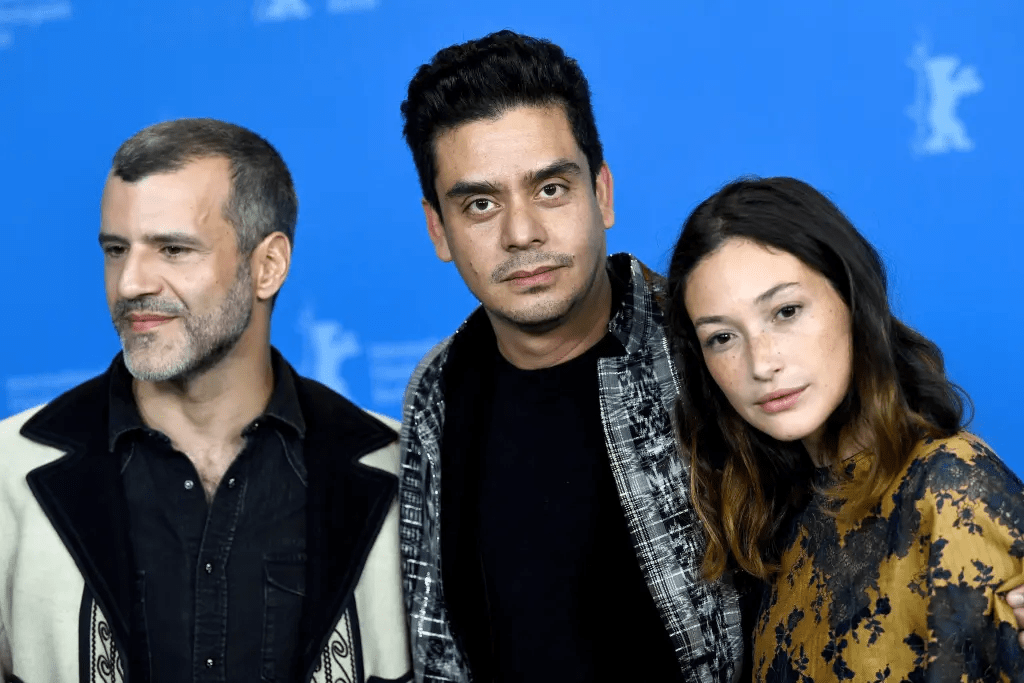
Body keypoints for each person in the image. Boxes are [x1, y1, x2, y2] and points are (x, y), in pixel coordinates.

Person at [0, 118, 411, 683]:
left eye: (173, 249)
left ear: (268, 265)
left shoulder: (398, 470)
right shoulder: (9, 473)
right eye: (116, 250)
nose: (129, 283)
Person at [396, 30, 742, 682]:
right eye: (480, 203)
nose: (521, 232)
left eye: (550, 189)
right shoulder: (439, 389)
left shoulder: (705, 346)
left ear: (601, 193)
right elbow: (438, 645)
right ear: (439, 230)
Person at [664, 175, 1024, 681]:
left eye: (786, 311)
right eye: (722, 337)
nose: (761, 363)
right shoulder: (777, 513)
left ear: (852, 299)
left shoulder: (949, 489)